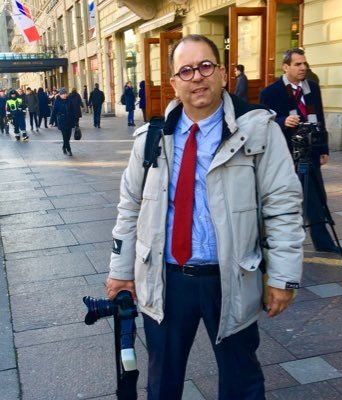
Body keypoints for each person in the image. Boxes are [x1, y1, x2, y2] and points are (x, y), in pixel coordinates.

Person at [106, 34, 304, 400]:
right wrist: (120, 271)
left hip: (231, 277)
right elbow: (130, 206)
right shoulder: (151, 138)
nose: (196, 77)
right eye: (186, 70)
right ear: (174, 83)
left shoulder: (258, 131)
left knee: (241, 381)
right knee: (162, 382)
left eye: (205, 66)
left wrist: (283, 275)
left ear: (223, 74)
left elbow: (283, 206)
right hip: (165, 279)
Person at [259, 48, 342, 254]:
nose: (303, 68)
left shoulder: (312, 88)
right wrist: (282, 121)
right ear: (286, 67)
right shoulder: (271, 92)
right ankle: (278, 242)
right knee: (287, 199)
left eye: (304, 64)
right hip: (287, 153)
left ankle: (323, 242)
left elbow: (320, 117)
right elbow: (264, 121)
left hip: (311, 151)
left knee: (317, 198)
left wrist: (323, 148)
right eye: (298, 64)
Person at [50, 87, 75, 156]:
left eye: (65, 93)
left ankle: (64, 147)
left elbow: (73, 111)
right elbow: (54, 112)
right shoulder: (57, 101)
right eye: (63, 94)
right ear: (60, 94)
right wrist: (51, 122)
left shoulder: (69, 100)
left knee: (68, 136)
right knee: (65, 136)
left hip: (69, 121)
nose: (64, 95)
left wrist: (75, 121)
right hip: (62, 121)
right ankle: (69, 149)